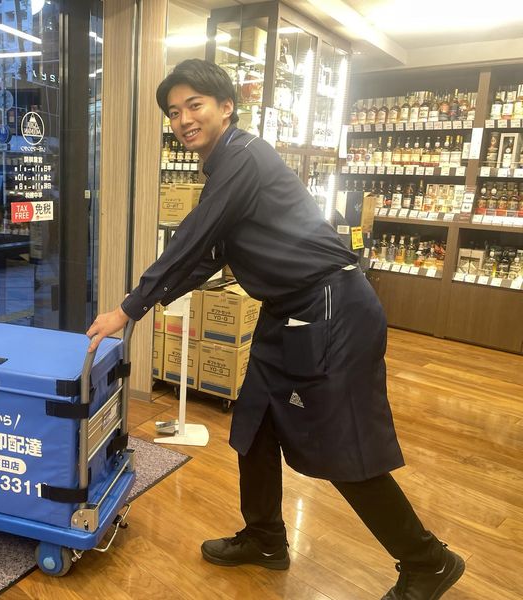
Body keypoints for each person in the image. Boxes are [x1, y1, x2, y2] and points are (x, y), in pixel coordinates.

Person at [86, 59, 464, 600]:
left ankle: (428, 561)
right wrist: (150, 301)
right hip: (285, 310)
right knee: (255, 422)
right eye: (173, 111)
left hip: (329, 307)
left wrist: (129, 308)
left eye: (194, 105)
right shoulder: (225, 168)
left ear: (226, 108)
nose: (183, 119)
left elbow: (194, 237)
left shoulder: (245, 155)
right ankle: (265, 538)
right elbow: (209, 255)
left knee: (340, 444)